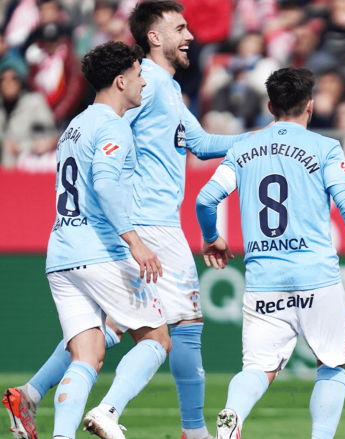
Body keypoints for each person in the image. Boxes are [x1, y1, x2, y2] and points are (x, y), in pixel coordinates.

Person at [3, 2, 254, 439]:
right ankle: (179, 428)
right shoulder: (147, 85)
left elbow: (199, 141)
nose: (190, 34)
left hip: (91, 237)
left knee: (103, 335)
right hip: (144, 223)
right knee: (178, 327)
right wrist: (132, 235)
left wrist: (265, 139)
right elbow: (111, 140)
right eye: (179, 27)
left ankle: (35, 393)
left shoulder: (164, 88)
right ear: (154, 38)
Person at [195, 67, 345, 439]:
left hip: (264, 280)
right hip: (317, 276)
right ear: (310, 107)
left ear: (270, 105)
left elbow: (206, 198)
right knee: (330, 366)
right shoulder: (325, 147)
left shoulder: (244, 147)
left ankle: (232, 414)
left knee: (257, 368)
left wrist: (211, 236)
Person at [2, 40, 172, 439]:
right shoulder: (113, 126)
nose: (143, 83)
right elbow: (105, 183)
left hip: (62, 253)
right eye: (137, 75)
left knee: (87, 356)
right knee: (157, 339)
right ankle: (108, 412)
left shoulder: (75, 126)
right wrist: (134, 241)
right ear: (119, 80)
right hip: (101, 252)